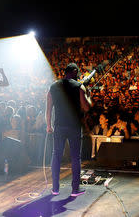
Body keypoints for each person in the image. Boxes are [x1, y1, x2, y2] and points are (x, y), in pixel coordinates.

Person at [46, 63, 92, 197]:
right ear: (75, 72)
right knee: (75, 157)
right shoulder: (79, 86)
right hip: (74, 126)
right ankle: (75, 190)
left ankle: (55, 189)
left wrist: (48, 125)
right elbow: (86, 107)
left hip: (59, 126)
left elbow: (48, 109)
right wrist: (88, 95)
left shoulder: (53, 86)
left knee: (56, 155)